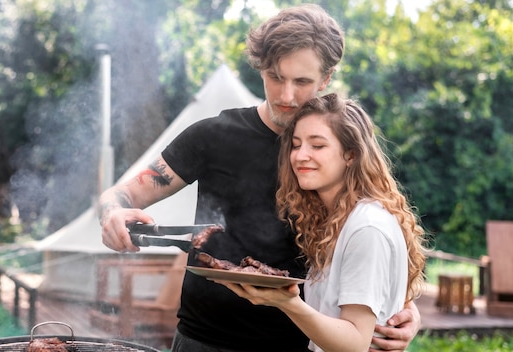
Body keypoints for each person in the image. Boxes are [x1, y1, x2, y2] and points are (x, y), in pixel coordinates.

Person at [98, 4, 420, 352]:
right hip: (204, 341)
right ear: (260, 69)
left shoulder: (335, 153)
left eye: (302, 82)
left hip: (298, 343)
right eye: (275, 77)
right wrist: (112, 213)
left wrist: (403, 308)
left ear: (326, 79)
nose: (286, 95)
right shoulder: (213, 136)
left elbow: (368, 244)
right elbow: (124, 195)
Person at [218, 93, 427, 352]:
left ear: (350, 155)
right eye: (296, 145)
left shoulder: (367, 228)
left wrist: (287, 302)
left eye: (317, 146)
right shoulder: (339, 221)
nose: (301, 156)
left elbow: (355, 343)